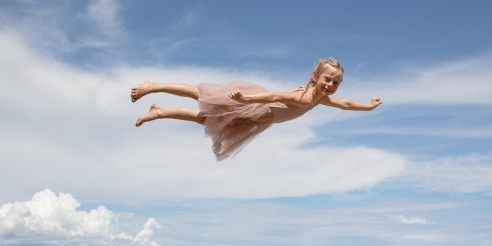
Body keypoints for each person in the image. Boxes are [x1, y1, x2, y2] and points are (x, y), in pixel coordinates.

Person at [131, 57, 382, 160]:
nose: (331, 85)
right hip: (251, 105)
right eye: (327, 79)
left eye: (336, 82)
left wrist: (368, 107)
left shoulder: (319, 99)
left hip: (258, 119)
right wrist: (244, 100)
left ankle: (160, 112)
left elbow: (345, 104)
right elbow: (273, 95)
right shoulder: (304, 96)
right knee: (202, 94)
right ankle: (153, 86)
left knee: (205, 119)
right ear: (316, 76)